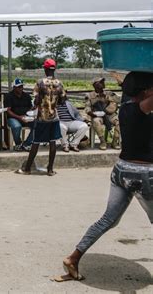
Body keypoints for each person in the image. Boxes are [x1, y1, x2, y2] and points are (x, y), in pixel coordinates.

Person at [58, 71, 153, 282]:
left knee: (108, 220)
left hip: (121, 170)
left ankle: (73, 258)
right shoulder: (141, 108)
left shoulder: (127, 105)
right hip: (143, 174)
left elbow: (128, 86)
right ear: (146, 91)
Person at [17, 59, 65, 176]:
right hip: (54, 117)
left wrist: (41, 102)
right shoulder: (59, 83)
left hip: (42, 117)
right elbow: (63, 100)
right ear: (54, 69)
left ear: (45, 69)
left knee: (36, 142)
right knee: (52, 142)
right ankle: (50, 169)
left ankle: (27, 168)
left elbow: (36, 101)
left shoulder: (40, 83)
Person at [85, 77, 121, 150]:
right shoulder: (89, 95)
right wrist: (91, 113)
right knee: (96, 121)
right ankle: (102, 141)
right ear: (95, 85)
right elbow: (87, 107)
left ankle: (114, 141)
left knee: (120, 121)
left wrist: (107, 97)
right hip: (98, 116)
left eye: (103, 82)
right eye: (100, 82)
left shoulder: (108, 93)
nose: (103, 84)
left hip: (110, 115)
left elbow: (118, 100)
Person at [5, 78, 34, 151]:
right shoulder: (8, 96)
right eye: (18, 87)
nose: (20, 88)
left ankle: (27, 143)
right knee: (16, 126)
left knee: (38, 124)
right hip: (13, 118)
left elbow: (31, 108)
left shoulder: (26, 96)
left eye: (21, 86)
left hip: (26, 117)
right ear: (14, 87)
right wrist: (19, 117)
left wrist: (27, 116)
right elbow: (8, 111)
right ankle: (18, 143)